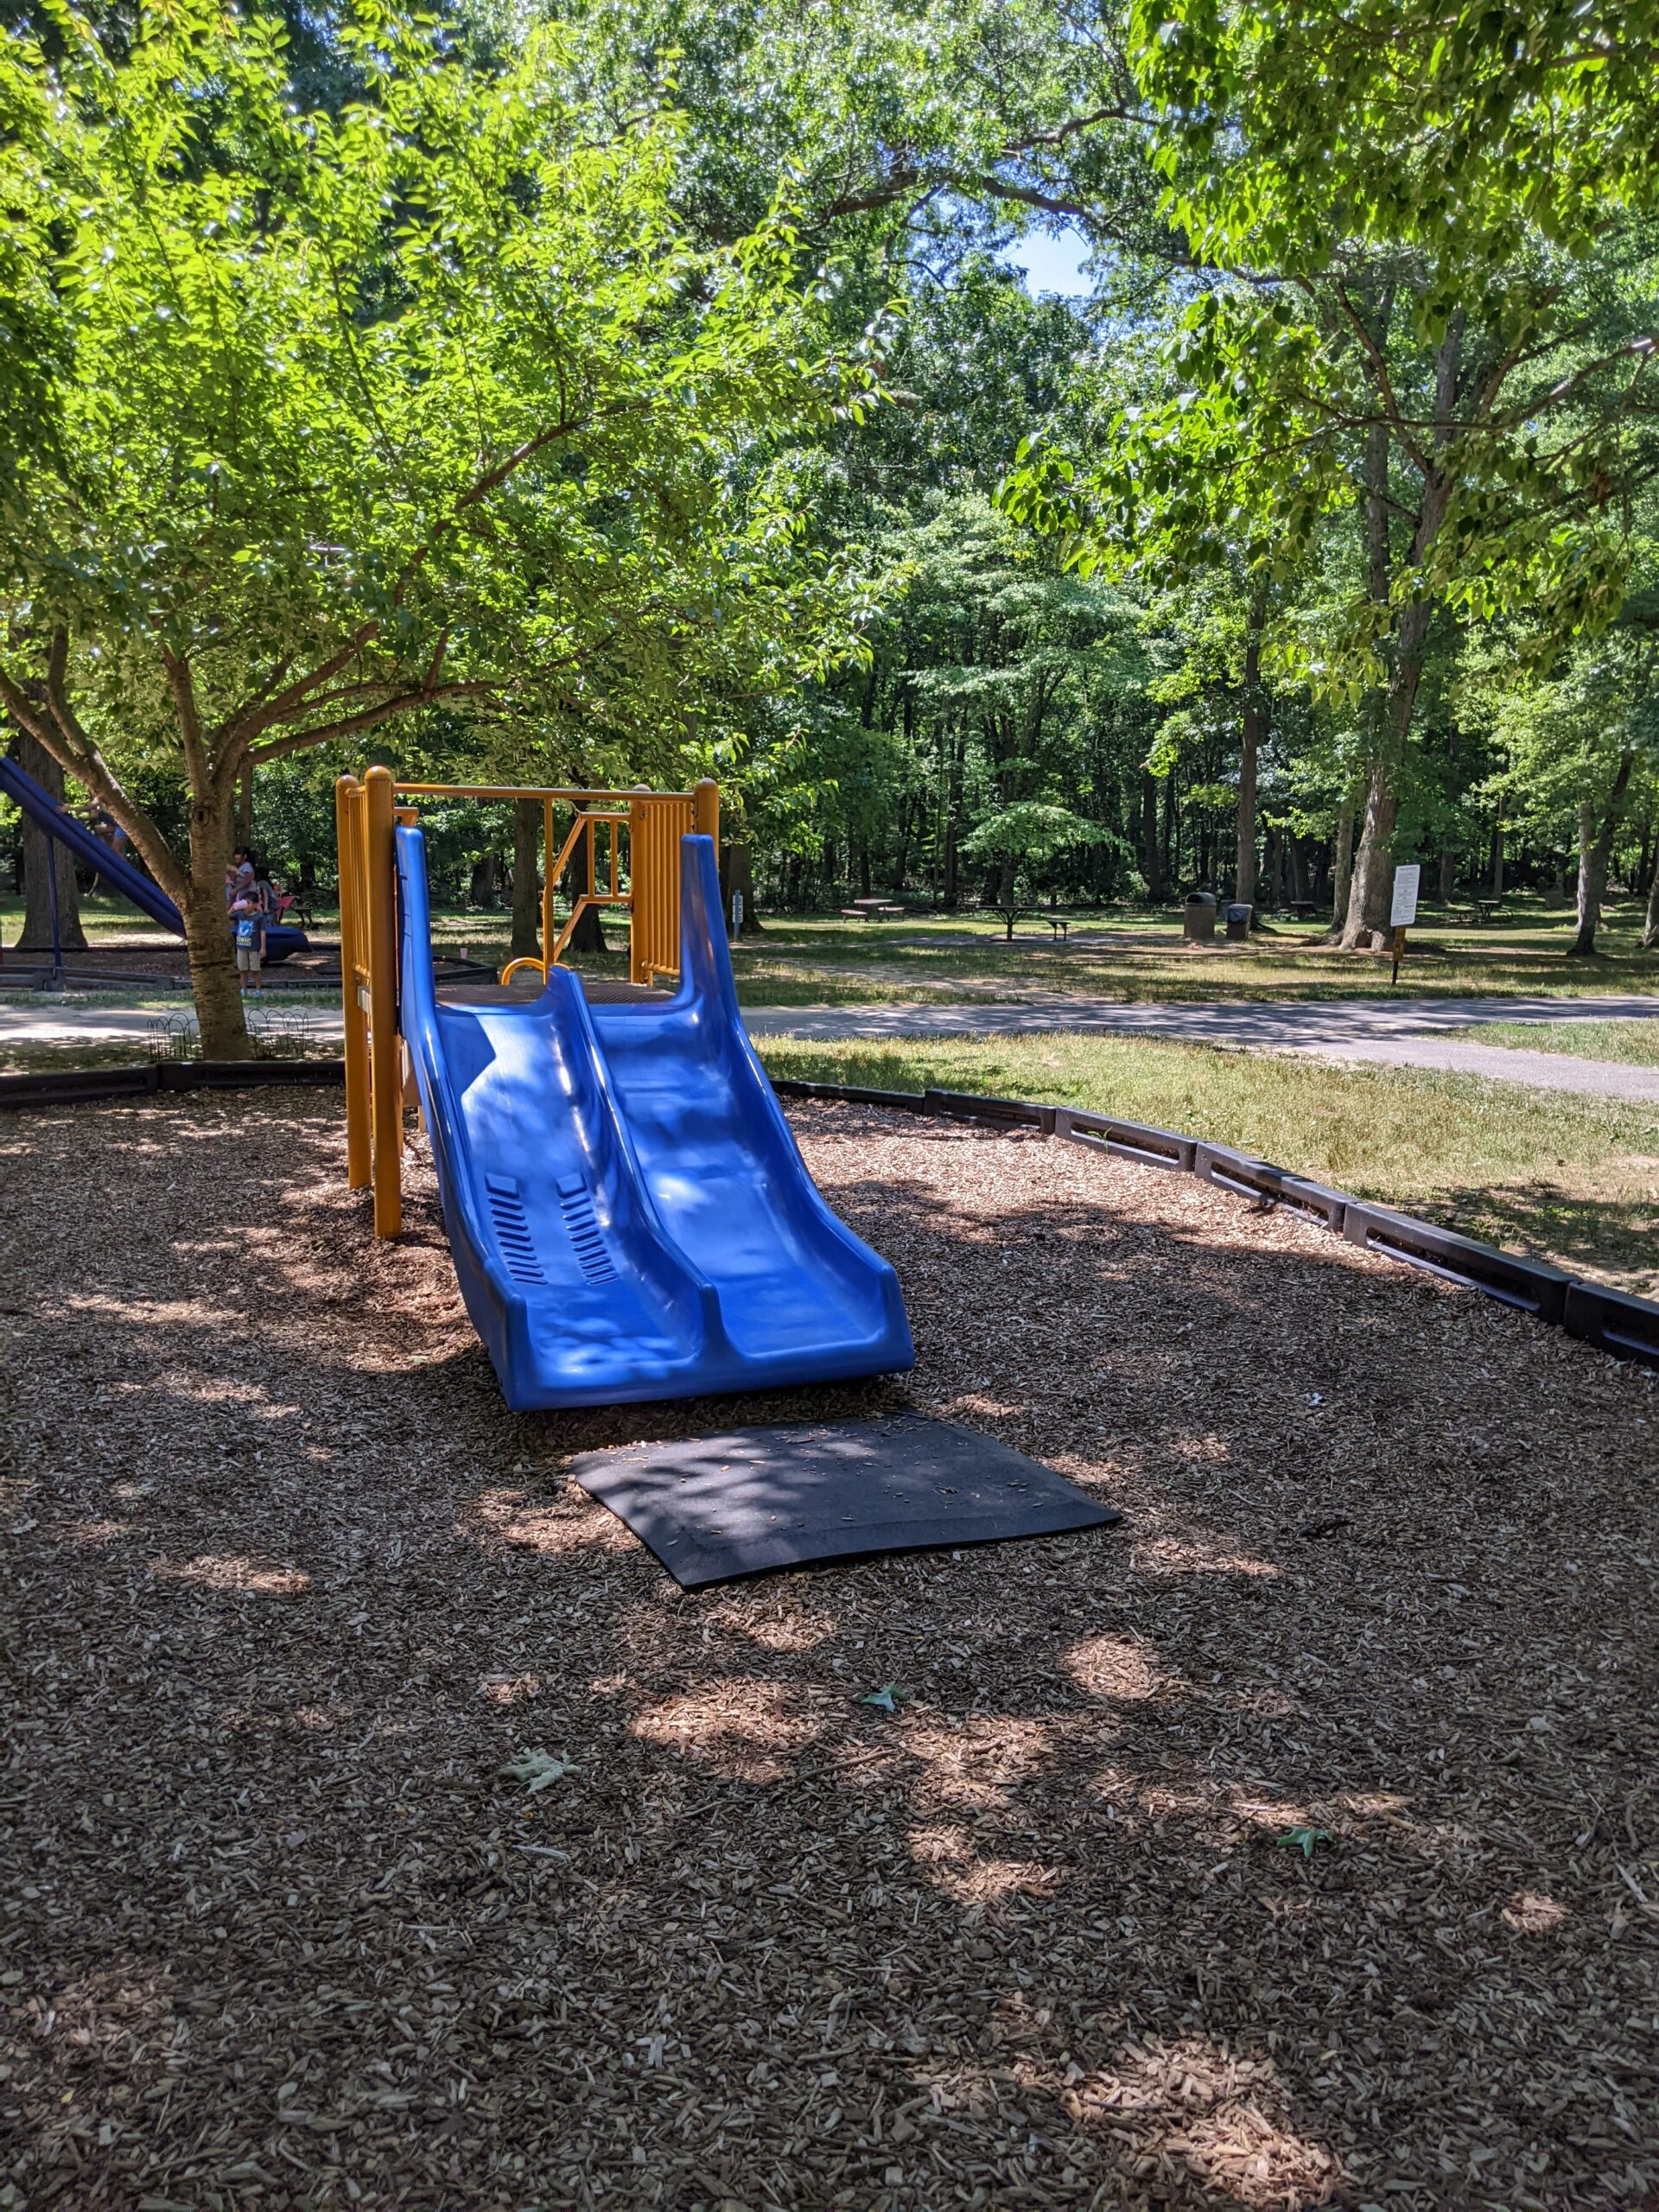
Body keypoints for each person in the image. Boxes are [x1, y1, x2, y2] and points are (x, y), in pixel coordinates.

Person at [232, 892, 266, 992]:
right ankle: (243, 989)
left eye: (248, 902)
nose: (246, 905)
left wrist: (263, 948)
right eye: (244, 902)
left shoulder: (259, 917)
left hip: (254, 948)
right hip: (241, 947)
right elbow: (225, 918)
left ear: (255, 904)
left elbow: (263, 933)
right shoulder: (239, 914)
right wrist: (233, 908)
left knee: (255, 970)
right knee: (242, 970)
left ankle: (258, 990)